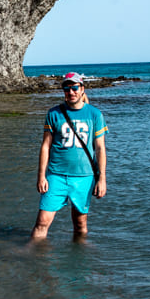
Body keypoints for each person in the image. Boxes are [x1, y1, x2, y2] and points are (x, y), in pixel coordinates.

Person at [31, 72, 108, 241]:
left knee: (80, 224)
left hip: (84, 177)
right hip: (56, 175)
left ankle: (80, 259)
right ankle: (34, 261)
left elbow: (100, 148)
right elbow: (45, 146)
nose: (71, 92)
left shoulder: (95, 115)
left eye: (74, 88)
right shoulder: (54, 114)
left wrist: (101, 179)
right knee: (42, 222)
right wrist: (41, 176)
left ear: (82, 89)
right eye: (67, 88)